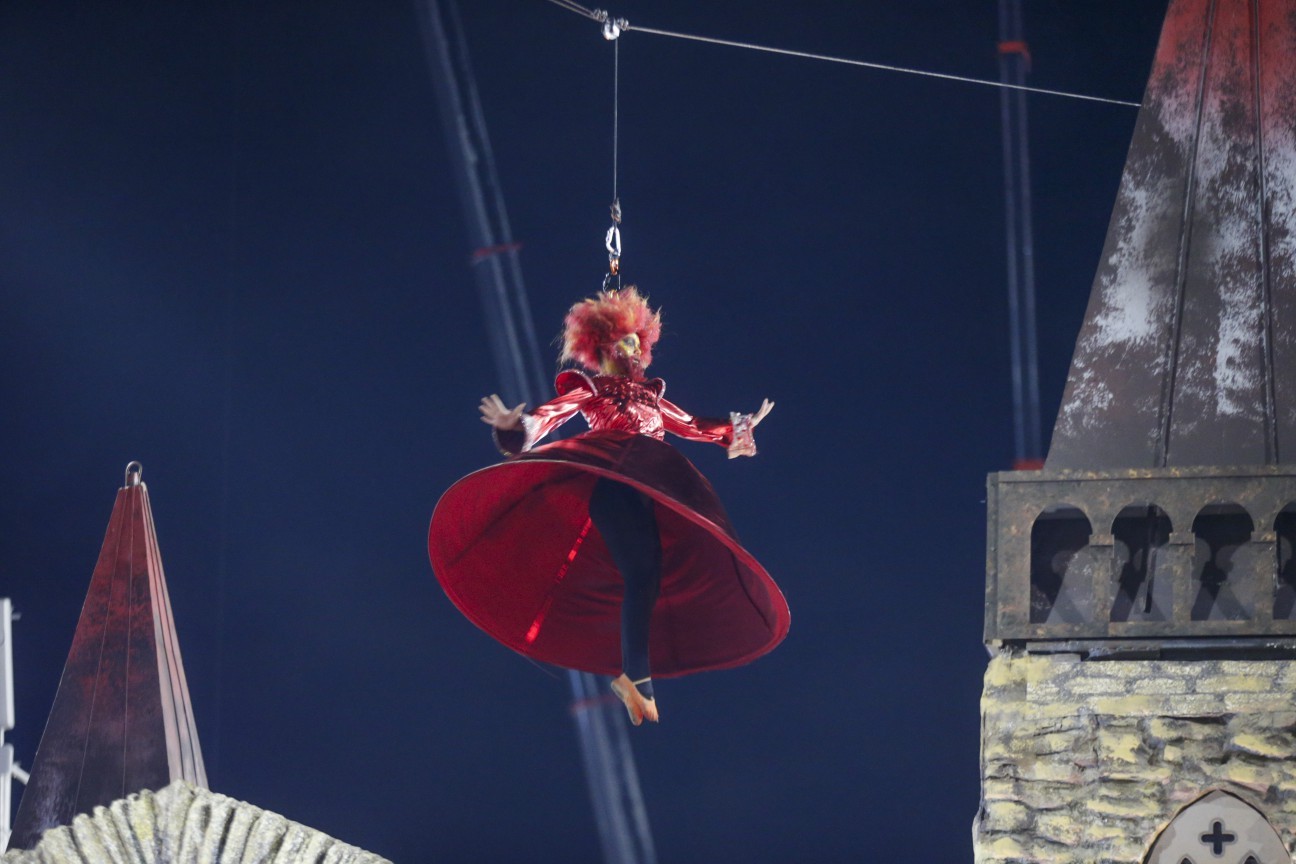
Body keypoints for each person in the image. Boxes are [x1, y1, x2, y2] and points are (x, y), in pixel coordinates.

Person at [429, 286, 788, 725]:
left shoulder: (652, 396)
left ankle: (635, 676)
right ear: (603, 346)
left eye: (637, 339)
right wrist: (516, 427)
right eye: (624, 340)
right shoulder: (595, 388)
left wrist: (739, 428)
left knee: (647, 575)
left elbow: (692, 425)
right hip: (614, 482)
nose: (633, 347)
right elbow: (554, 413)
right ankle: (636, 676)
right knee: (640, 574)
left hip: (646, 486)